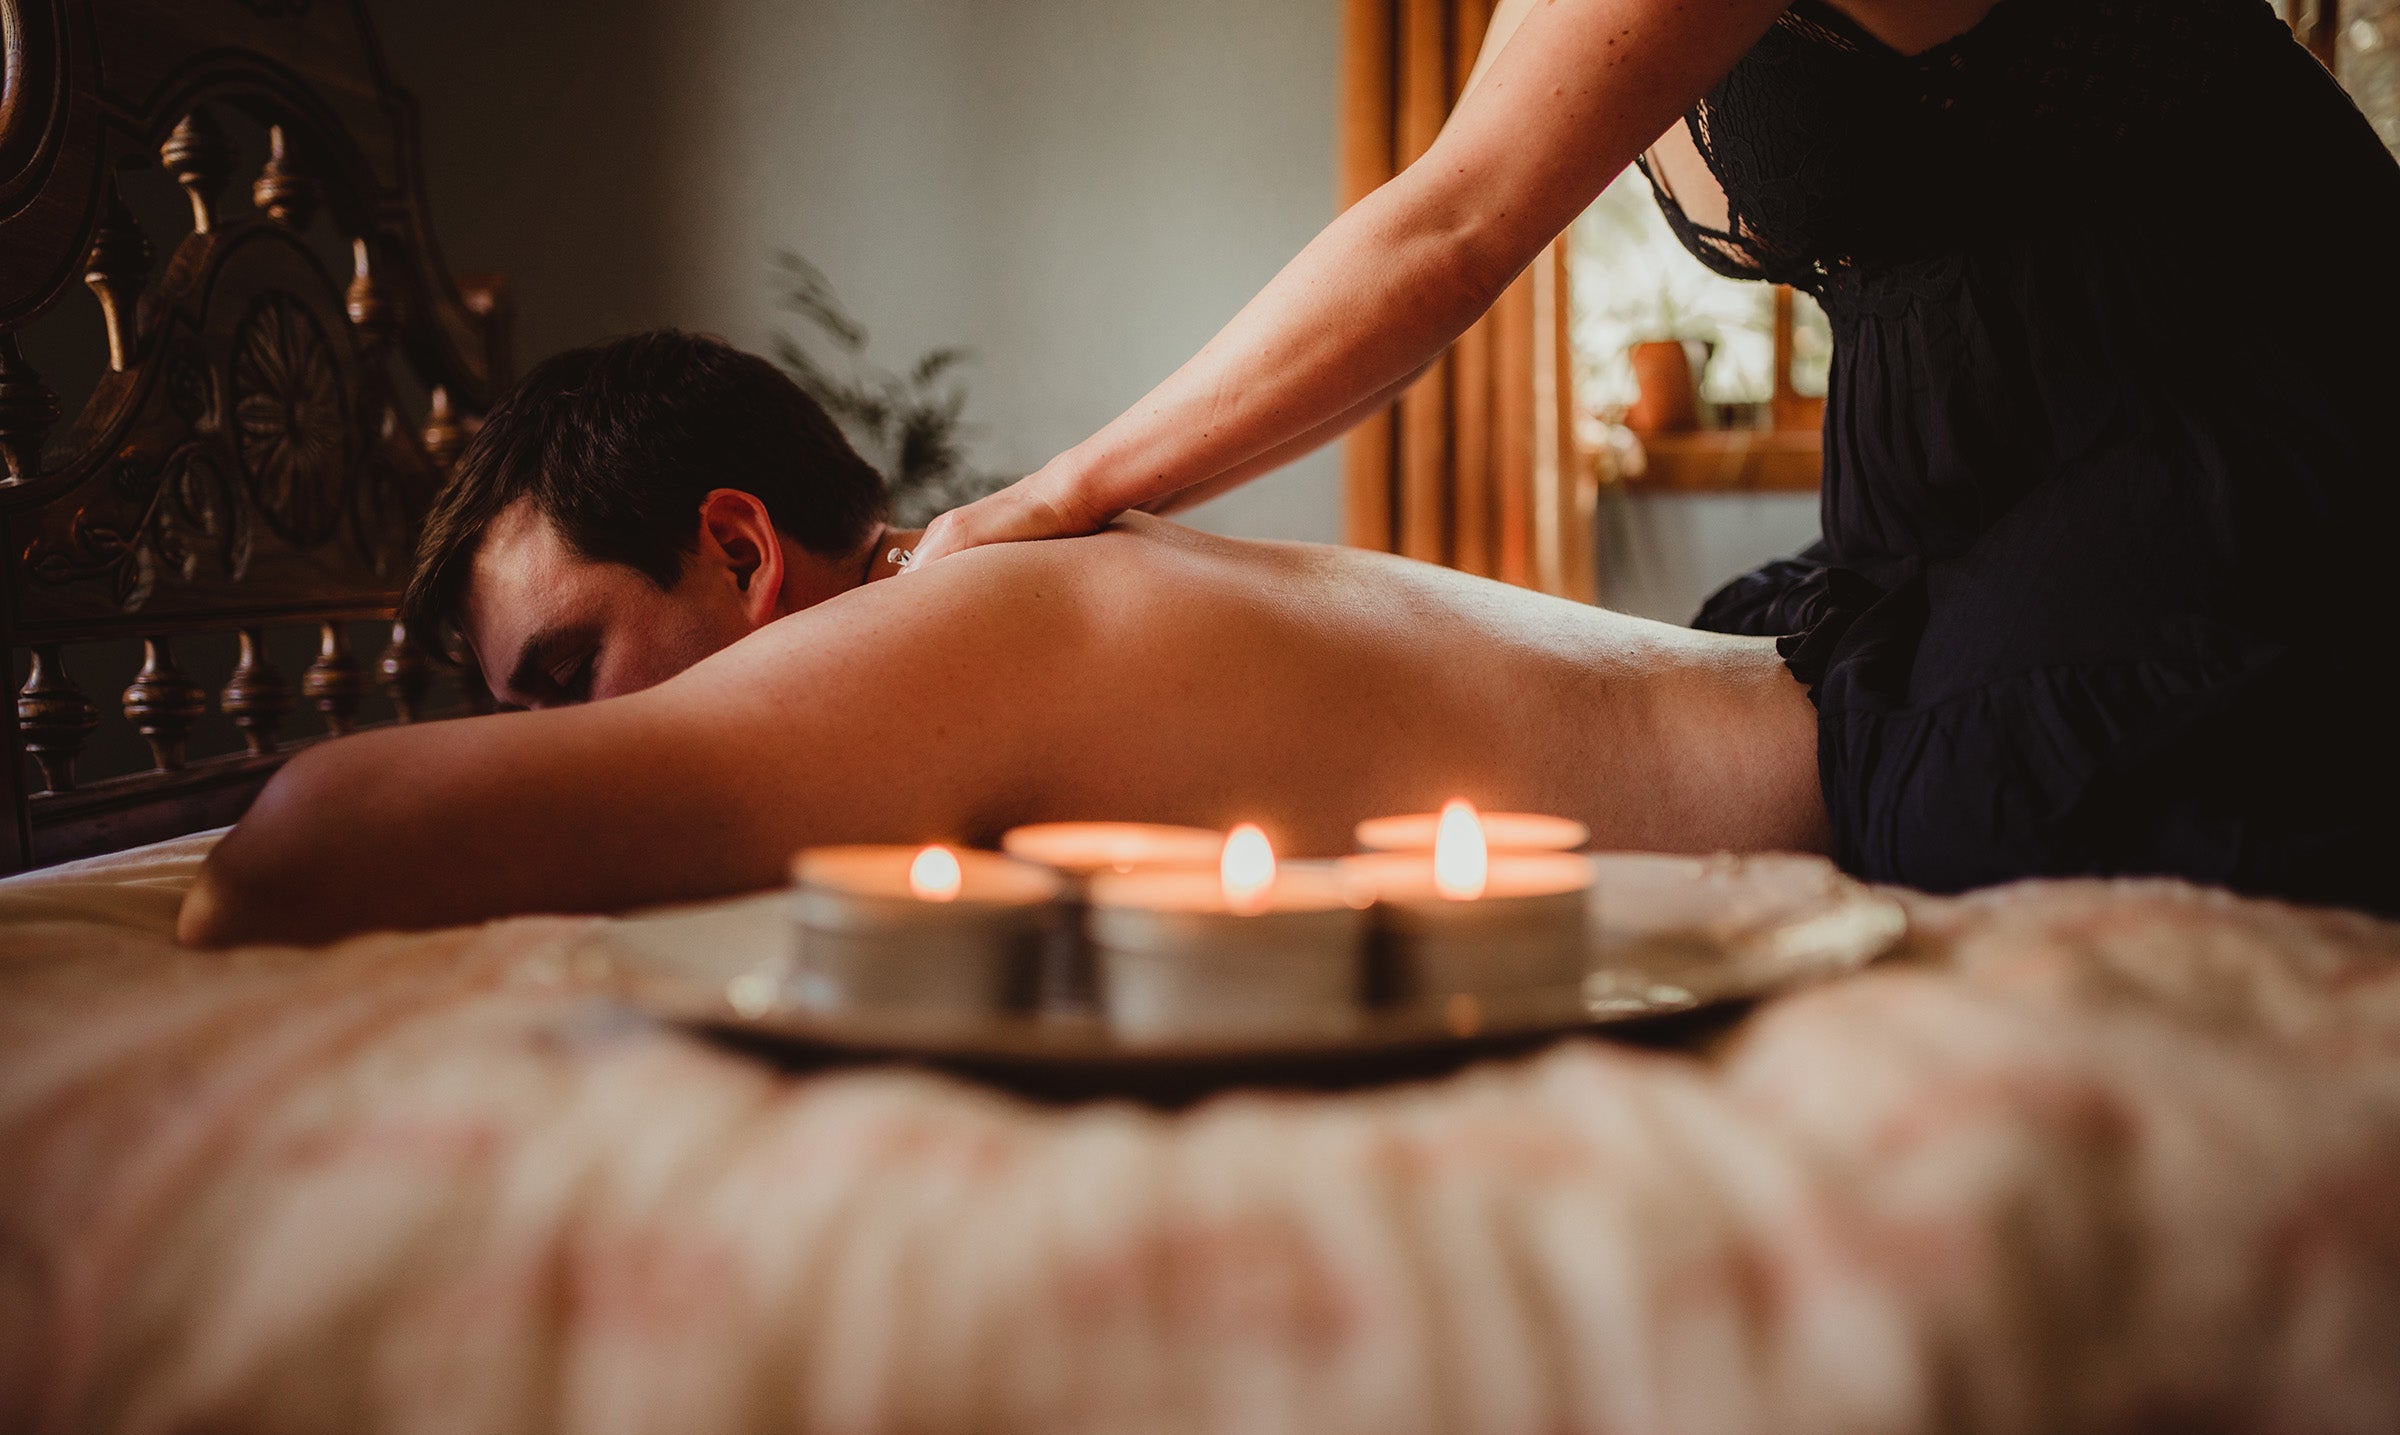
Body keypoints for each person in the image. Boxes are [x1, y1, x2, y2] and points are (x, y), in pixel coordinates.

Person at [914, 0, 2400, 915]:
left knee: (1974, 801)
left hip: (2251, 438)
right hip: (2033, 481)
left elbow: (1446, 233)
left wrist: (1056, 492)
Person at [176, 333, 1822, 948]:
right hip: (1802, 672)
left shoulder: (952, 621)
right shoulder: (1020, 584)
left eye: (567, 678)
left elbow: (294, 850)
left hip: (1893, 744)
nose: (562, 745)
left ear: (742, 549)